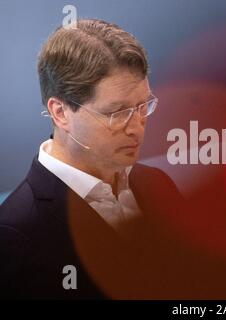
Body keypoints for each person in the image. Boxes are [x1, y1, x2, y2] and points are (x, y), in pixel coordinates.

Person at [0, 19, 186, 299]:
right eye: (117, 112)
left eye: (143, 106)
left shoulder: (157, 185)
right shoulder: (15, 233)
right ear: (60, 112)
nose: (137, 125)